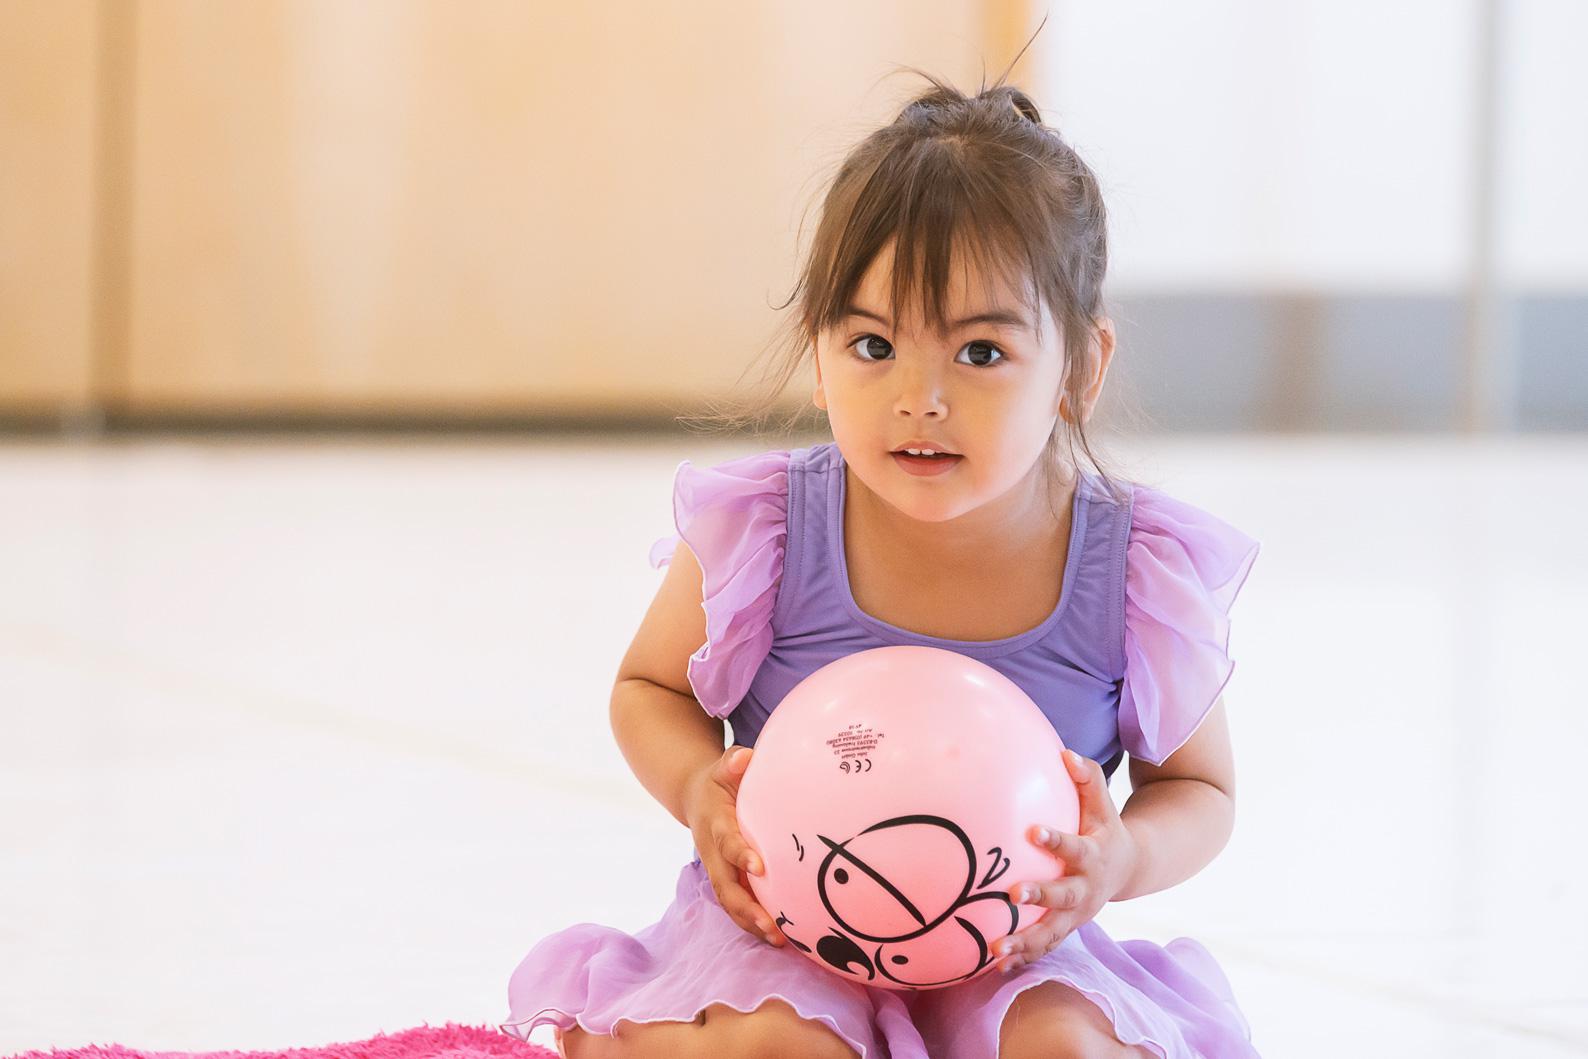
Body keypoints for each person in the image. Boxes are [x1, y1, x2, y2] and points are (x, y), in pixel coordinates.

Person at [499, 65, 1263, 1059]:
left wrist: (1119, 859)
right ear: (818, 356)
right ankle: (632, 1038)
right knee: (785, 1049)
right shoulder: (765, 528)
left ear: (1078, 369)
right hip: (784, 925)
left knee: (1064, 1051)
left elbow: (1197, 789)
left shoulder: (1130, 568)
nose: (920, 397)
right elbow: (648, 688)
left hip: (1015, 940)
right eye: (872, 346)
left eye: (979, 354)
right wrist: (700, 792)